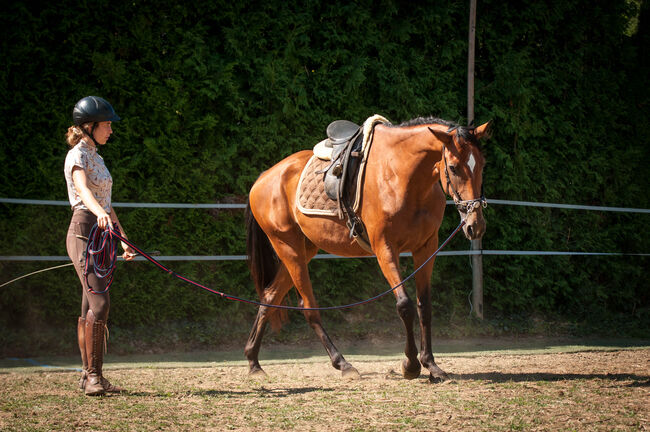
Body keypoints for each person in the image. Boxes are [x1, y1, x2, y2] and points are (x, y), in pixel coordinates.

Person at [64, 96, 135, 396]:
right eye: (106, 125)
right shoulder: (77, 156)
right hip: (82, 232)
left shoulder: (98, 157)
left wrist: (124, 238)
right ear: (89, 126)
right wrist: (99, 213)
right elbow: (83, 191)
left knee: (88, 307)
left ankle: (87, 376)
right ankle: (94, 376)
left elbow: (106, 203)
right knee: (100, 303)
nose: (111, 130)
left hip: (102, 232)